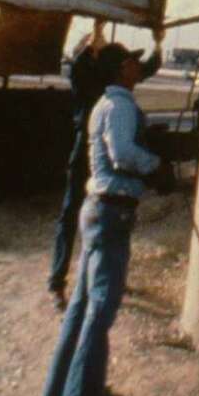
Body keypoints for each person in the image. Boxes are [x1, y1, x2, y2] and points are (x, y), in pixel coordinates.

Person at [43, 42, 163, 396]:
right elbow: (123, 152)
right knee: (101, 310)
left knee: (80, 304)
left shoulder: (103, 103)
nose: (137, 65)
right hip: (112, 210)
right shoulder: (121, 105)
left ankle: (62, 389)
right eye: (131, 61)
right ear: (121, 69)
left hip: (96, 208)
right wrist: (157, 166)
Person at [48, 19, 162, 309]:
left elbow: (146, 68)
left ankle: (101, 279)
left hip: (94, 154)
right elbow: (80, 68)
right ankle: (58, 283)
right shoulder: (85, 73)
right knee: (76, 214)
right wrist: (96, 36)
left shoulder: (106, 78)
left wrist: (158, 44)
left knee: (99, 216)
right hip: (88, 153)